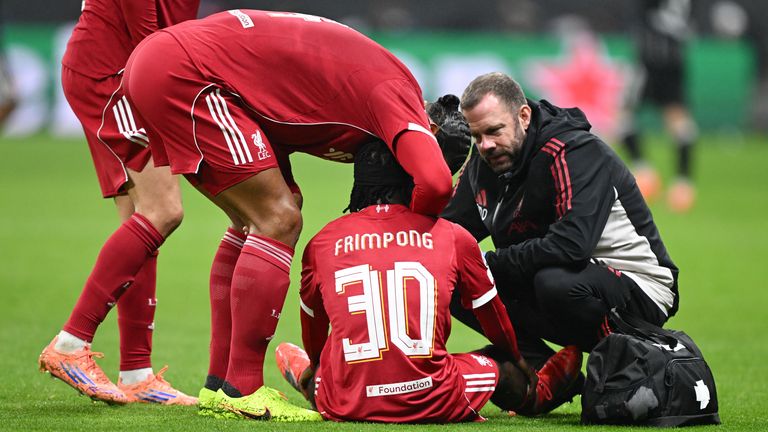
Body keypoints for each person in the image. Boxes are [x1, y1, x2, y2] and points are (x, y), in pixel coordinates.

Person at [119, 9, 454, 420]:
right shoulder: (400, 98)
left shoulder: (376, 89)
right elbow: (436, 183)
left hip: (174, 64)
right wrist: (414, 236)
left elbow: (280, 99)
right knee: (279, 220)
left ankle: (218, 386)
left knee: (265, 214)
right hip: (190, 73)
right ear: (429, 132)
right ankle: (243, 390)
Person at [272, 140, 583, 423]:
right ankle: (537, 393)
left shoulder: (322, 242)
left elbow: (312, 319)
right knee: (498, 365)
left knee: (334, 358)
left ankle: (310, 380)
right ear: (413, 181)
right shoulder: (452, 235)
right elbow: (491, 313)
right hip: (431, 397)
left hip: (349, 402)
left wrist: (315, 362)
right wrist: (516, 358)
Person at [442, 72, 679, 391]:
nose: (486, 145)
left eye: (495, 131)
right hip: (560, 277)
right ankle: (544, 377)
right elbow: (443, 234)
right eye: (476, 136)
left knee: (553, 283)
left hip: (641, 284)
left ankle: (628, 371)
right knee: (457, 280)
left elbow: (572, 245)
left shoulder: (573, 149)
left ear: (523, 116)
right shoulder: (485, 163)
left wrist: (486, 263)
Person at [38, 0, 200, 406]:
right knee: (164, 210)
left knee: (142, 221)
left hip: (119, 67)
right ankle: (70, 343)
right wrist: (158, 73)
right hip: (117, 72)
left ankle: (137, 373)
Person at [620, 0, 698, 212]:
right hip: (674, 62)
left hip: (650, 61)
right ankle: (683, 183)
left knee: (623, 117)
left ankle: (644, 172)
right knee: (679, 122)